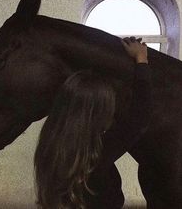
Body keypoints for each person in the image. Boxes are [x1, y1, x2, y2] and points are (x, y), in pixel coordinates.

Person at [34, 37, 152, 209]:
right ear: (96, 115)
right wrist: (142, 60)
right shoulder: (96, 155)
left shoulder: (51, 143)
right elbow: (139, 120)